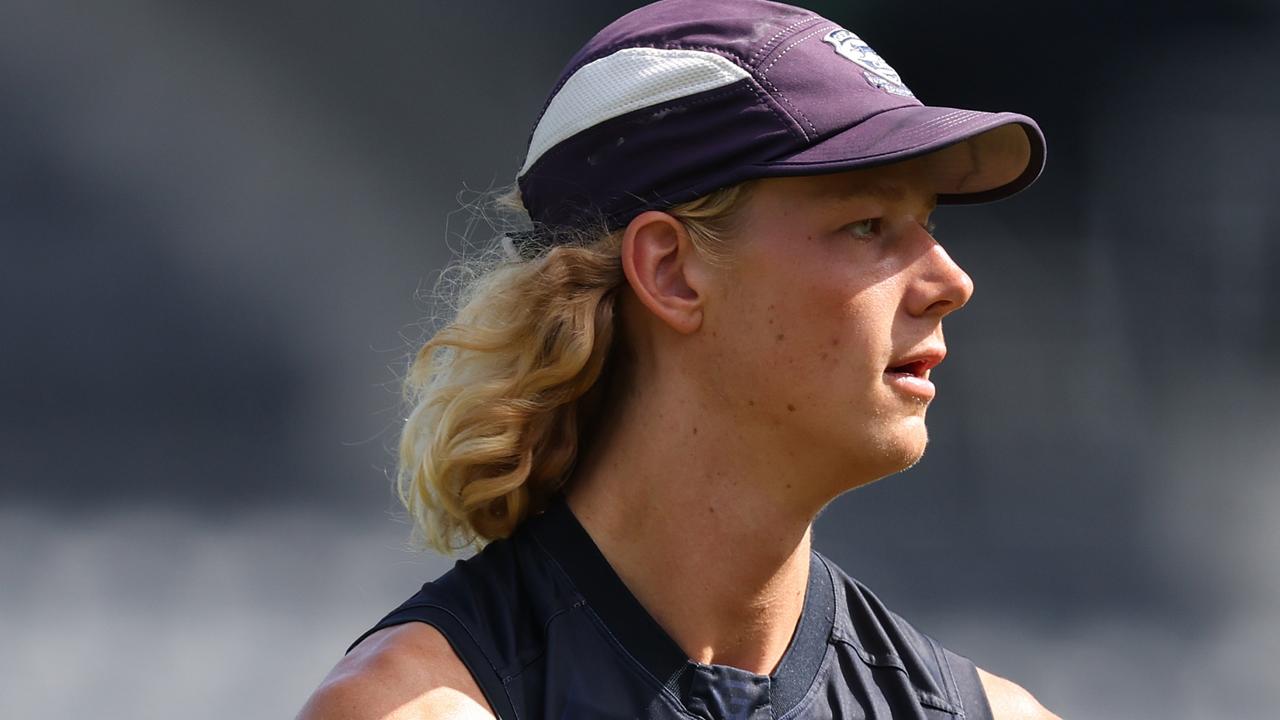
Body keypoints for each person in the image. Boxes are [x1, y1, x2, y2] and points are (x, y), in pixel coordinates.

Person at [298, 0, 1061, 718]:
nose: (951, 282)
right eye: (867, 224)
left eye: (926, 222)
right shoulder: (423, 707)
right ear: (670, 271)